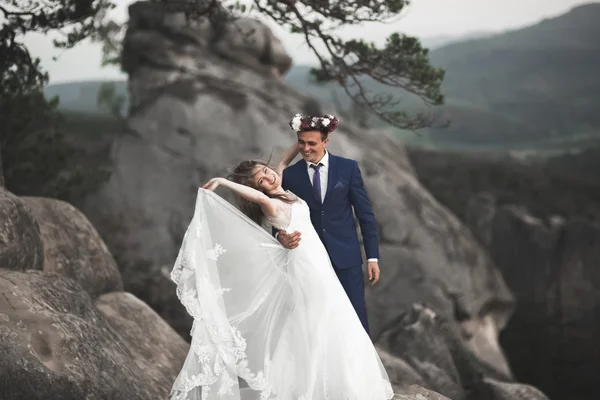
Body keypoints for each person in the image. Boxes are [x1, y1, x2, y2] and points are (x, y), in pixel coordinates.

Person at [169, 114, 393, 400]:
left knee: (342, 320)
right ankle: (319, 388)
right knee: (318, 320)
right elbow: (265, 207)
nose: (267, 177)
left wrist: (302, 135)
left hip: (331, 259)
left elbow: (285, 165)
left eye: (265, 171)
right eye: (260, 180)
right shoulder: (278, 193)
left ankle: (346, 382)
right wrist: (225, 185)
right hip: (305, 264)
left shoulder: (309, 177)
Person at [275, 113, 380, 334]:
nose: (305, 149)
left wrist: (372, 257)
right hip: (307, 260)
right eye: (301, 143)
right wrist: (280, 236)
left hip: (346, 258)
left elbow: (365, 215)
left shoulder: (348, 169)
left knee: (355, 321)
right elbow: (281, 217)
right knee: (316, 324)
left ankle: (359, 368)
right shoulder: (290, 176)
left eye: (311, 143)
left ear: (325, 141)